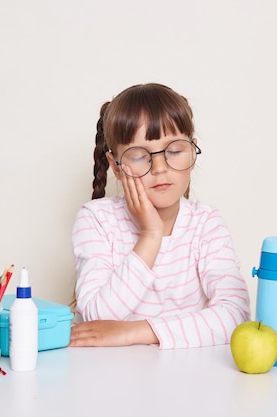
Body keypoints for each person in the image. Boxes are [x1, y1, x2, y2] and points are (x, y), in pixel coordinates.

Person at [69, 83, 250, 349]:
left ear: (192, 151)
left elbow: (235, 315)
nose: (161, 168)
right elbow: (97, 318)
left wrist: (137, 332)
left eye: (174, 151)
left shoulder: (206, 223)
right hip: (107, 375)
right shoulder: (96, 220)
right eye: (140, 156)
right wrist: (151, 235)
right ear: (115, 167)